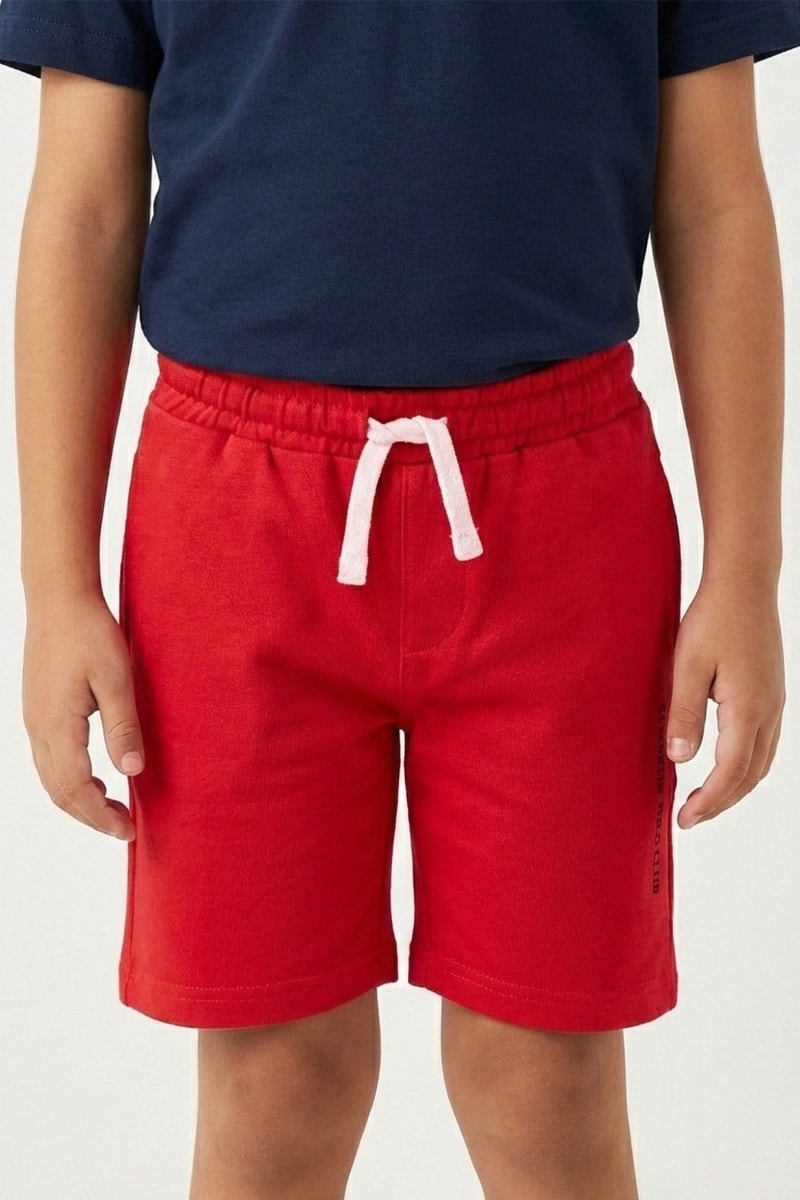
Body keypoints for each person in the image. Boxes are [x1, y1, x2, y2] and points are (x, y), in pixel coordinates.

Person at [0, 2, 796, 1198]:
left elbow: (714, 196)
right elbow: (84, 208)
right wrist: (55, 586)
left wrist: (746, 570)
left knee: (543, 1077)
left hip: (561, 518)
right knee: (274, 1080)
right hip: (234, 525)